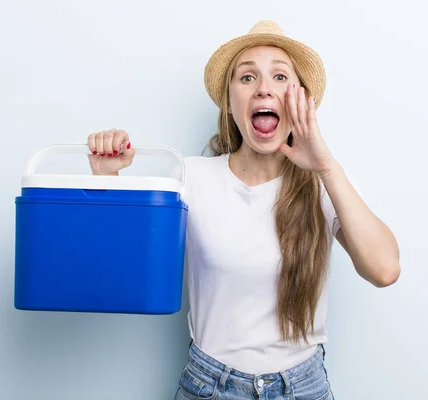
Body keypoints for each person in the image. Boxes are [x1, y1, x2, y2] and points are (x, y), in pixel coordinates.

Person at [85, 20, 400, 400]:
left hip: (304, 387)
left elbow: (384, 270)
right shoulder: (191, 178)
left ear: (299, 100)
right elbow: (122, 268)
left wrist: (326, 166)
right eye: (247, 77)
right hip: (209, 385)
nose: (264, 87)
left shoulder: (323, 184)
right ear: (230, 102)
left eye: (280, 77)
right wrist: (106, 180)